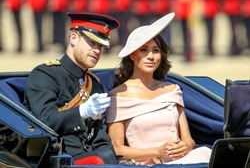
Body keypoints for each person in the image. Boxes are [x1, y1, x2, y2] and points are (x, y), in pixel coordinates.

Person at [106, 12, 211, 166]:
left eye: (155, 50)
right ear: (132, 55)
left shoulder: (172, 89)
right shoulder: (119, 95)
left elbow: (188, 140)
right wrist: (157, 151)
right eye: (144, 50)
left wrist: (185, 146)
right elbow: (117, 149)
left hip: (183, 160)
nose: (151, 56)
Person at [23, 12, 120, 165]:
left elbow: (101, 139)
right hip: (58, 159)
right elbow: (44, 122)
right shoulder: (46, 75)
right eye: (91, 42)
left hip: (92, 159)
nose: (97, 50)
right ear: (73, 38)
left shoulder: (95, 86)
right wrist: (82, 112)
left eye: (101, 45)